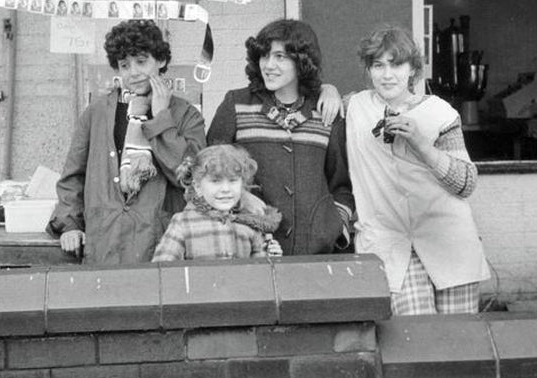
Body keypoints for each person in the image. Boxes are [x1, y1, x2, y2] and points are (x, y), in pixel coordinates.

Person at [345, 23, 490, 315]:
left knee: (458, 341)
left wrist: (422, 145)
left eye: (396, 65)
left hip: (448, 241)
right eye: (378, 65)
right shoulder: (354, 107)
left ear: (412, 69)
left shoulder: (440, 112)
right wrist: (326, 91)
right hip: (390, 242)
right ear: (368, 70)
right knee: (415, 339)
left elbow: (465, 183)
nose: (387, 75)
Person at [46, 20, 207, 264]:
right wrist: (69, 224)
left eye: (141, 62)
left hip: (163, 244)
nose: (133, 72)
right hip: (106, 241)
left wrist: (162, 117)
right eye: (124, 65)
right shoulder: (96, 112)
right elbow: (72, 177)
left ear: (161, 61)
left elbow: (193, 179)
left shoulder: (185, 114)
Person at [206, 19, 354, 255]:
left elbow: (341, 184)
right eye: (264, 56)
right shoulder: (237, 104)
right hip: (249, 248)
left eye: (280, 57)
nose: (269, 65)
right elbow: (207, 169)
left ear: (302, 61)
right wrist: (241, 196)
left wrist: (335, 229)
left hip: (316, 253)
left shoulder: (326, 110)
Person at [152, 144, 283, 261]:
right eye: (215, 181)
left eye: (233, 181)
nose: (226, 189)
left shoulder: (249, 225)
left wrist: (269, 258)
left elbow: (259, 276)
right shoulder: (183, 223)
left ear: (242, 184)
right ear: (197, 186)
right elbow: (162, 270)